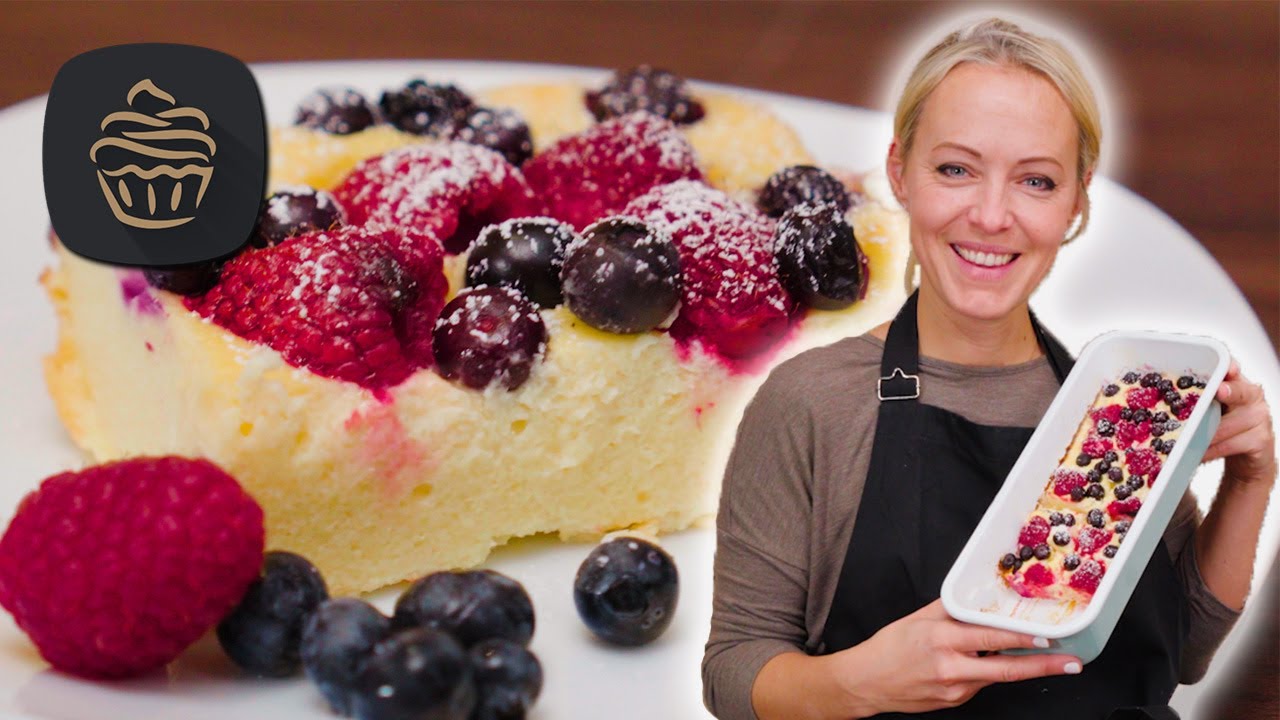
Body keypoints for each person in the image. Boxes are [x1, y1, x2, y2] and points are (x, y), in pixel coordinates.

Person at [701, 17, 1276, 720]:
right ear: (900, 173)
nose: (992, 215)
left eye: (1036, 180)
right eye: (956, 169)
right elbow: (733, 671)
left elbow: (1184, 649)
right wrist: (859, 681)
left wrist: (1249, 480)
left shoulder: (1114, 405)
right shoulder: (810, 402)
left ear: (1076, 201)